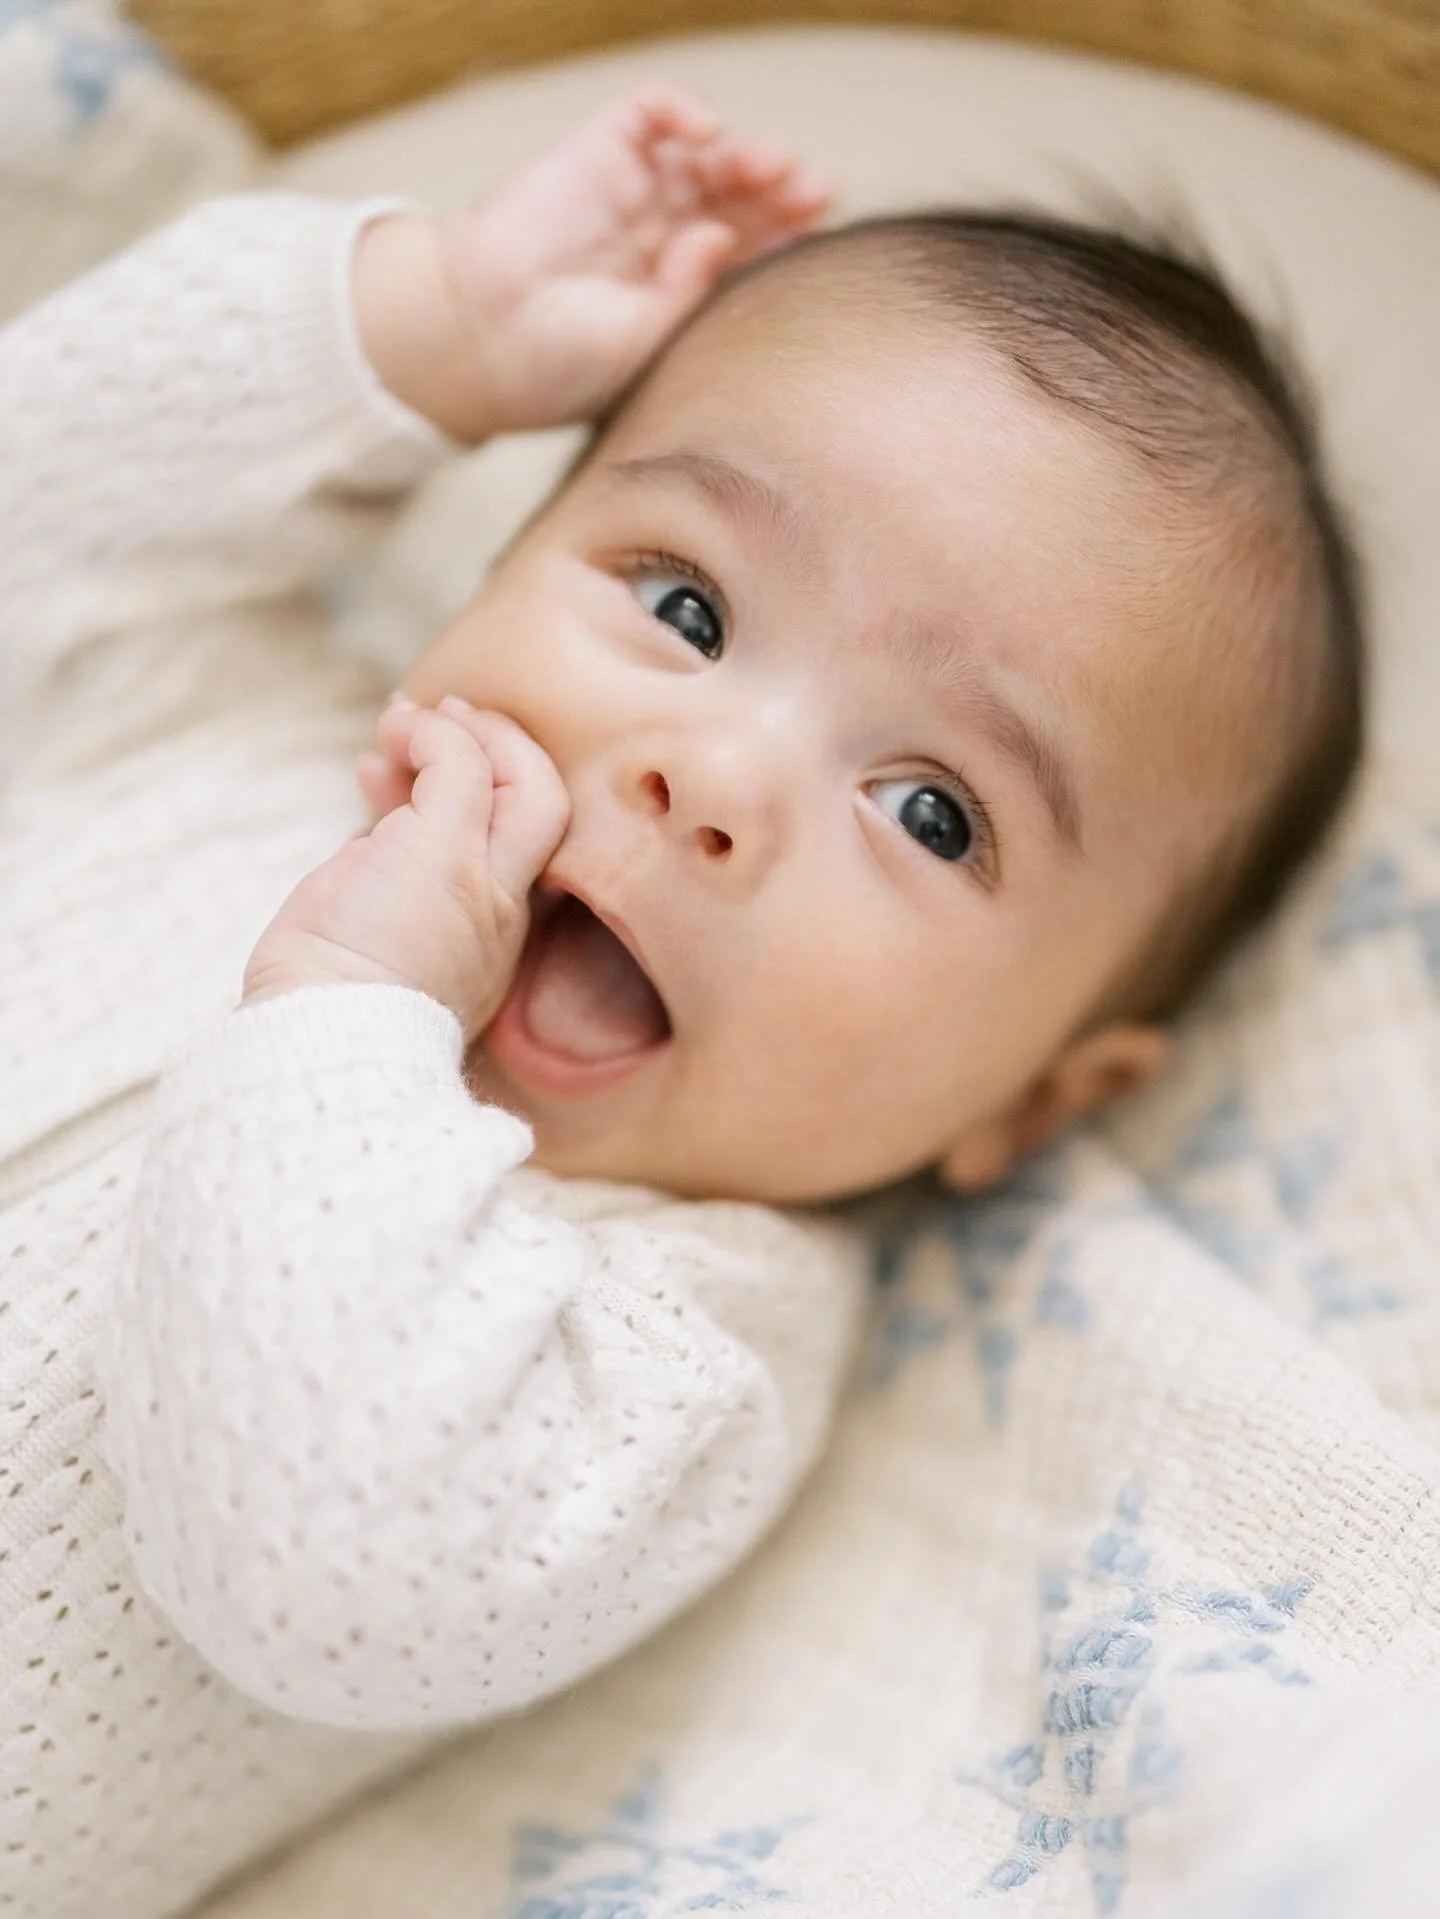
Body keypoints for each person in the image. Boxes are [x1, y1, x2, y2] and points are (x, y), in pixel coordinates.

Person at [0, 85, 1362, 1919]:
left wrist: (346, 1008)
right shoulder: (218, 716)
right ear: (505, 554)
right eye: (689, 609)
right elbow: (41, 496)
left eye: (931, 810)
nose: (708, 774)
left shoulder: (683, 1347)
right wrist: (433, 329)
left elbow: (313, 1558)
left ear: (1031, 1097)